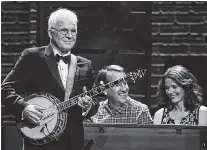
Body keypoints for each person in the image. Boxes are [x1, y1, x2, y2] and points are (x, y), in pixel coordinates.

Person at [1, 8, 99, 150]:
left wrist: (88, 106)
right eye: (64, 31)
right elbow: (4, 89)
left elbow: (93, 103)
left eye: (74, 31)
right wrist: (25, 108)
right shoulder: (31, 57)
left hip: (74, 143)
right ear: (50, 33)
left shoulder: (85, 65)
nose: (70, 35)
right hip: (40, 141)